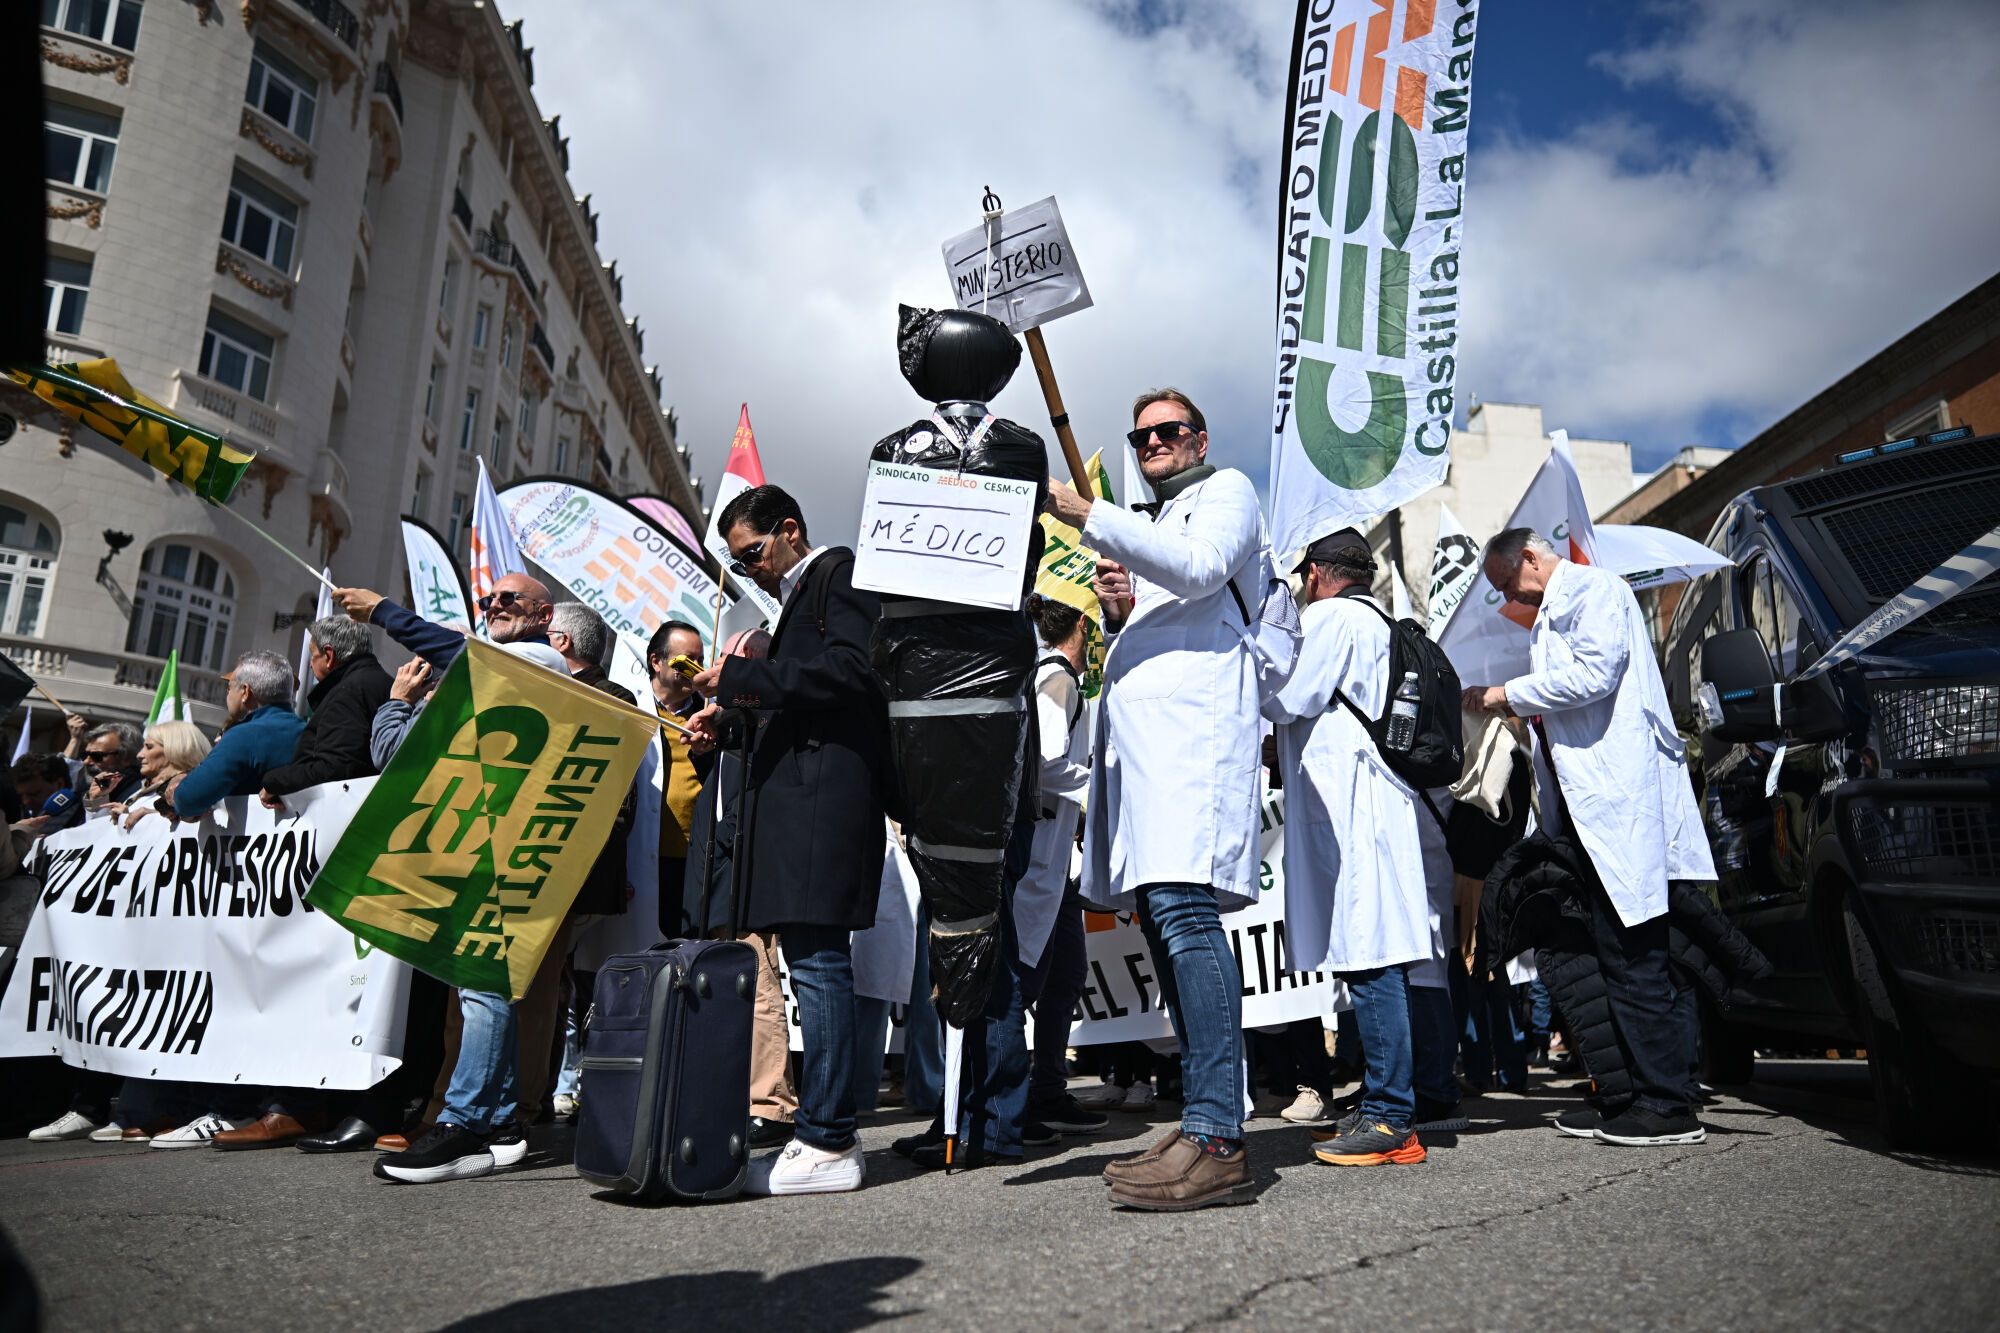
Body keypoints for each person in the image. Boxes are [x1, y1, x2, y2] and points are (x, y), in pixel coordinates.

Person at [1041, 387, 1268, 1211]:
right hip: (1151, 758)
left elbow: (1206, 571)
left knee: (1186, 913)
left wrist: (1090, 514)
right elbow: (1178, 598)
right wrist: (1121, 611)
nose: (1153, 444)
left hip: (1192, 742)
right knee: (1167, 920)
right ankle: (1199, 1117)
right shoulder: (1157, 523)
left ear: (1201, 437)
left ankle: (1218, 1134)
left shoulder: (1228, 492)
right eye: (1141, 437)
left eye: (1169, 431)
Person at [1463, 527, 1717, 1146]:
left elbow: (1594, 676)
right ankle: (1627, 1094)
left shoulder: (1594, 591)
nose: (1509, 600)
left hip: (1618, 804)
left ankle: (1667, 1104)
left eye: (1506, 585)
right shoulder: (1555, 612)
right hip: (1588, 812)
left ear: (1528, 557)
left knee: (1636, 957)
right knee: (1603, 955)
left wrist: (1505, 696)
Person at [687, 484, 889, 1197]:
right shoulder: (801, 596)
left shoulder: (839, 573)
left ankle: (829, 1134)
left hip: (825, 805)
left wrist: (744, 677)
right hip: (804, 806)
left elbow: (854, 673)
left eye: (753, 555)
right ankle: (827, 1127)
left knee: (820, 962)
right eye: (740, 565)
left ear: (790, 531)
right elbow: (803, 699)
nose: (751, 572)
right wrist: (733, 720)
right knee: (812, 959)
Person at [1260, 528, 1435, 1166]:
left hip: (1355, 810)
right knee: (1372, 954)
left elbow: (1291, 696)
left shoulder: (1331, 618)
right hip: (1371, 804)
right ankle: (1385, 1104)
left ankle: (1391, 1117)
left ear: (1315, 574)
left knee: (1371, 958)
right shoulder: (1380, 622)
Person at [678, 627, 797, 1150]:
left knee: (757, 981)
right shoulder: (729, 722)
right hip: (717, 872)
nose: (715, 661)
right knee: (730, 983)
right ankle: (736, 1093)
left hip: (747, 869)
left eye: (726, 654)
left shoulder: (768, 715)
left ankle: (772, 1103)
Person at [1016, 596, 1109, 1138]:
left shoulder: (1052, 679)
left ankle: (1048, 1087)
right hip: (1040, 856)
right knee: (1031, 977)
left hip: (1058, 860)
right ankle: (1010, 1097)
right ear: (1080, 625)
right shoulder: (1057, 680)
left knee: (1065, 973)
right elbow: (1048, 764)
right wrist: (1099, 791)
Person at [255, 617, 392, 812]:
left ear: (329, 655)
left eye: (312, 655)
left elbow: (335, 768)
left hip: (347, 817)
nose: (310, 665)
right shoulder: (387, 683)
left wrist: (274, 782)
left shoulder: (348, 693)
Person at [164, 651, 304, 822]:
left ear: (245, 692)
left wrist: (176, 792)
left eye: (229, 687)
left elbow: (189, 799)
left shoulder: (244, 736)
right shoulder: (309, 731)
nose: (227, 694)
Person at [644, 618, 708, 938]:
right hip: (643, 855)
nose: (695, 669)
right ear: (657, 662)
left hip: (692, 859)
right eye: (685, 661)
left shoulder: (711, 715)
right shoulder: (633, 707)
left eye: (700, 661)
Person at [77, 723, 142, 819]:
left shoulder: (139, 793)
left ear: (126, 757)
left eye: (97, 756)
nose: (86, 762)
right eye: (84, 755)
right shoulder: (82, 791)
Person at [9, 753, 82, 836]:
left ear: (59, 784)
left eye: (34, 794)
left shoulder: (85, 817)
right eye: (21, 795)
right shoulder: (20, 812)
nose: (26, 801)